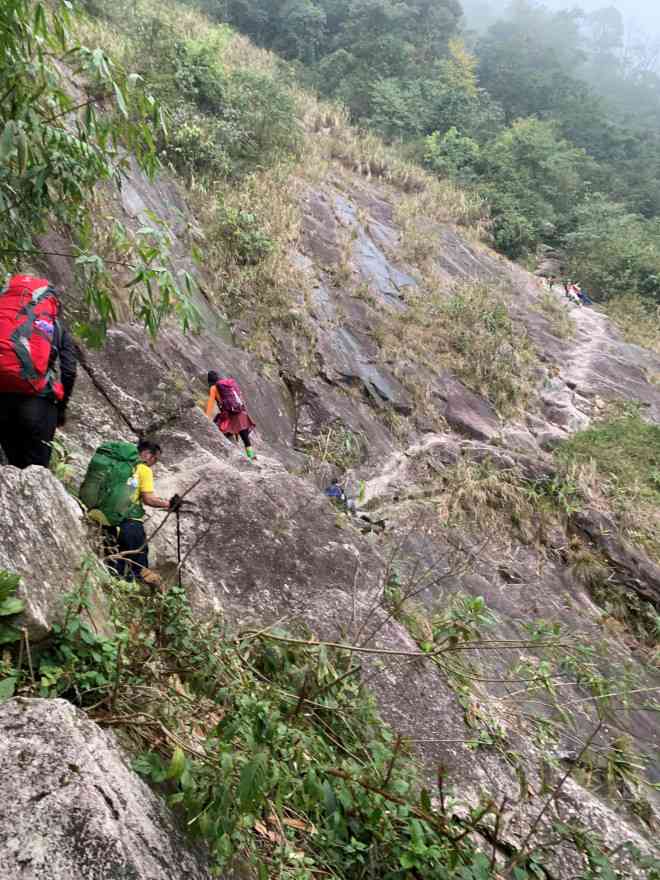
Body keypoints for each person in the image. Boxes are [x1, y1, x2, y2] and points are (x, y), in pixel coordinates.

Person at [0, 275, 77, 468]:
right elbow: (69, 370)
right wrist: (61, 407)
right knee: (36, 470)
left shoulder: (4, 317)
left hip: (1, 399)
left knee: (11, 466)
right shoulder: (56, 327)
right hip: (37, 401)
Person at [105, 440, 179, 584]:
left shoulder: (117, 464)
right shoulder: (143, 469)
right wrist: (169, 504)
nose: (154, 463)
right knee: (139, 564)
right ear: (146, 454)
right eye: (155, 459)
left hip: (107, 518)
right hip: (130, 522)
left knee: (117, 562)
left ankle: (118, 587)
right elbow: (148, 499)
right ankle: (136, 595)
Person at [206, 370, 256, 460]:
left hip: (229, 415)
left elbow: (210, 404)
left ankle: (230, 456)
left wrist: (206, 417)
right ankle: (252, 456)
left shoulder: (213, 388)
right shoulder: (228, 384)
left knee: (219, 430)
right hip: (240, 412)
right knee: (244, 436)